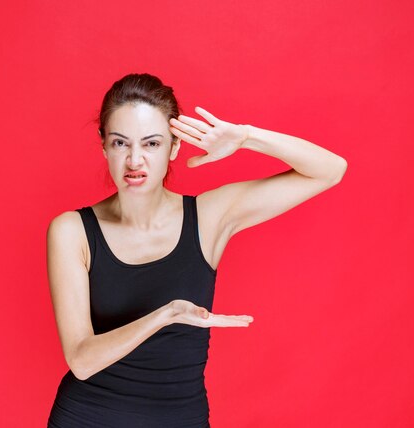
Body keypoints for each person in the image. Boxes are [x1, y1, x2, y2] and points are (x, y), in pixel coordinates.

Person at [46, 73, 347, 427]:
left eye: (152, 144)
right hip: (87, 418)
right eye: (120, 143)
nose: (134, 160)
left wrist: (247, 137)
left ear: (174, 147)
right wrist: (164, 315)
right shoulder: (72, 230)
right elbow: (81, 360)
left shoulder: (208, 217)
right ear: (104, 146)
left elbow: (330, 170)